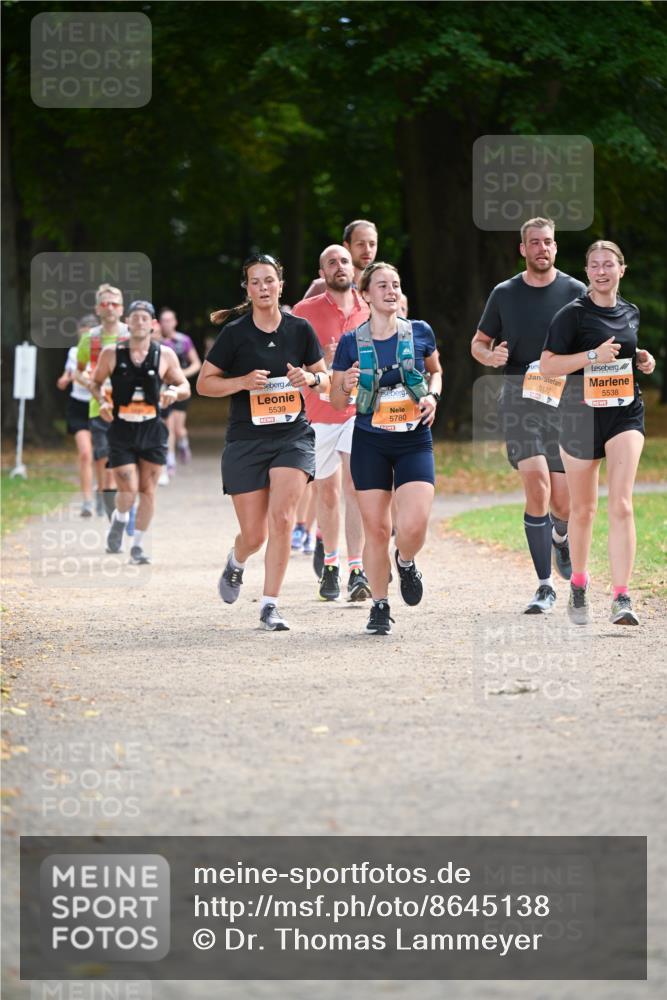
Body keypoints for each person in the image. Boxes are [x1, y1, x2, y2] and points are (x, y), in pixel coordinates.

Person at [196, 254, 330, 631]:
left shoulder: (300, 329)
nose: (263, 287)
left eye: (269, 280)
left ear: (281, 285)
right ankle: (237, 560)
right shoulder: (235, 334)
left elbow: (326, 379)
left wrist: (309, 379)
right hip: (246, 439)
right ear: (248, 289)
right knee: (255, 535)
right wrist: (240, 382)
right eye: (255, 282)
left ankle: (270, 604)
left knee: (284, 518)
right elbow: (204, 384)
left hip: (292, 436)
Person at [471, 218, 587, 614]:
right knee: (536, 485)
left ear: (556, 247)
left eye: (549, 242)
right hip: (520, 398)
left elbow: (597, 341)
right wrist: (490, 355)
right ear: (523, 249)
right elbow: (478, 343)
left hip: (566, 402)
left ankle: (560, 535)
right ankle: (544, 586)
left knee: (564, 502)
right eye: (534, 243)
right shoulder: (505, 293)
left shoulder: (576, 292)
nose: (542, 248)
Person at [540, 240, 656, 626]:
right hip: (579, 416)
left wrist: (642, 358)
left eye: (609, 264)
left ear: (622, 270)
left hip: (624, 413)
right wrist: (592, 357)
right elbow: (549, 366)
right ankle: (578, 583)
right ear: (587, 272)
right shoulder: (570, 315)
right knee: (583, 509)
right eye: (594, 265)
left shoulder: (631, 312)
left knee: (621, 503)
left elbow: (626, 353)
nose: (602, 271)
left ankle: (622, 596)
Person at [330, 262, 442, 635]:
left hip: (413, 438)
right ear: (366, 295)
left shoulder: (420, 332)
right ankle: (379, 604)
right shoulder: (351, 342)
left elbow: (435, 370)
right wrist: (345, 384)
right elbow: (333, 400)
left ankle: (406, 561)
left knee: (413, 524)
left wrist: (434, 395)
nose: (391, 291)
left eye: (395, 284)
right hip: (370, 440)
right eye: (382, 285)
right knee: (376, 529)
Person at [292, 244, 372, 602]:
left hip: (359, 411)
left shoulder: (370, 308)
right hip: (319, 413)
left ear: (353, 269)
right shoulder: (304, 312)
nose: (339, 267)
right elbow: (289, 360)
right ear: (321, 273)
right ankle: (330, 564)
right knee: (326, 491)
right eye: (331, 263)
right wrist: (318, 364)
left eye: (344, 261)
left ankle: (357, 568)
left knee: (354, 485)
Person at [92, 300, 190, 565]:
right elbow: (96, 382)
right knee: (129, 490)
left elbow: (184, 386)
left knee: (148, 491)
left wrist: (173, 391)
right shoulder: (111, 353)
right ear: (127, 322)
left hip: (152, 429)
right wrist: (101, 401)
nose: (139, 322)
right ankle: (120, 519)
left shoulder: (164, 355)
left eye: (144, 318)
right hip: (122, 429)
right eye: (134, 317)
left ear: (153, 324)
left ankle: (137, 546)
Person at [76, 284, 129, 519]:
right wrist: (88, 381)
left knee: (126, 462)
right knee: (105, 459)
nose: (110, 308)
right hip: (100, 407)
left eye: (114, 303)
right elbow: (77, 371)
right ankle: (110, 510)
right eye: (105, 303)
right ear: (98, 308)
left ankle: (123, 507)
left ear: (122, 308)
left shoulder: (131, 335)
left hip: (131, 408)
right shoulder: (90, 338)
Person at [56, 315, 97, 516]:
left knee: (102, 455)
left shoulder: (103, 352)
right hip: (78, 406)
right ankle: (87, 500)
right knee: (85, 454)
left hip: (99, 405)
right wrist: (64, 380)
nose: (85, 337)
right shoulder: (73, 352)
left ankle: (104, 493)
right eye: (83, 333)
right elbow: (68, 373)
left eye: (89, 333)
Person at [158, 308, 202, 474]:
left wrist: (180, 375)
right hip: (162, 388)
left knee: (178, 428)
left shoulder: (183, 341)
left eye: (170, 320)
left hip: (180, 388)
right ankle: (170, 460)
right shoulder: (156, 342)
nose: (167, 323)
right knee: (167, 426)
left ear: (175, 322)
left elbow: (196, 364)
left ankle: (183, 443)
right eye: (164, 320)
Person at [304, 219, 378, 298]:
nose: (367, 250)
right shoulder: (322, 286)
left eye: (372, 244)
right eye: (360, 244)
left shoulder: (380, 288)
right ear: (346, 246)